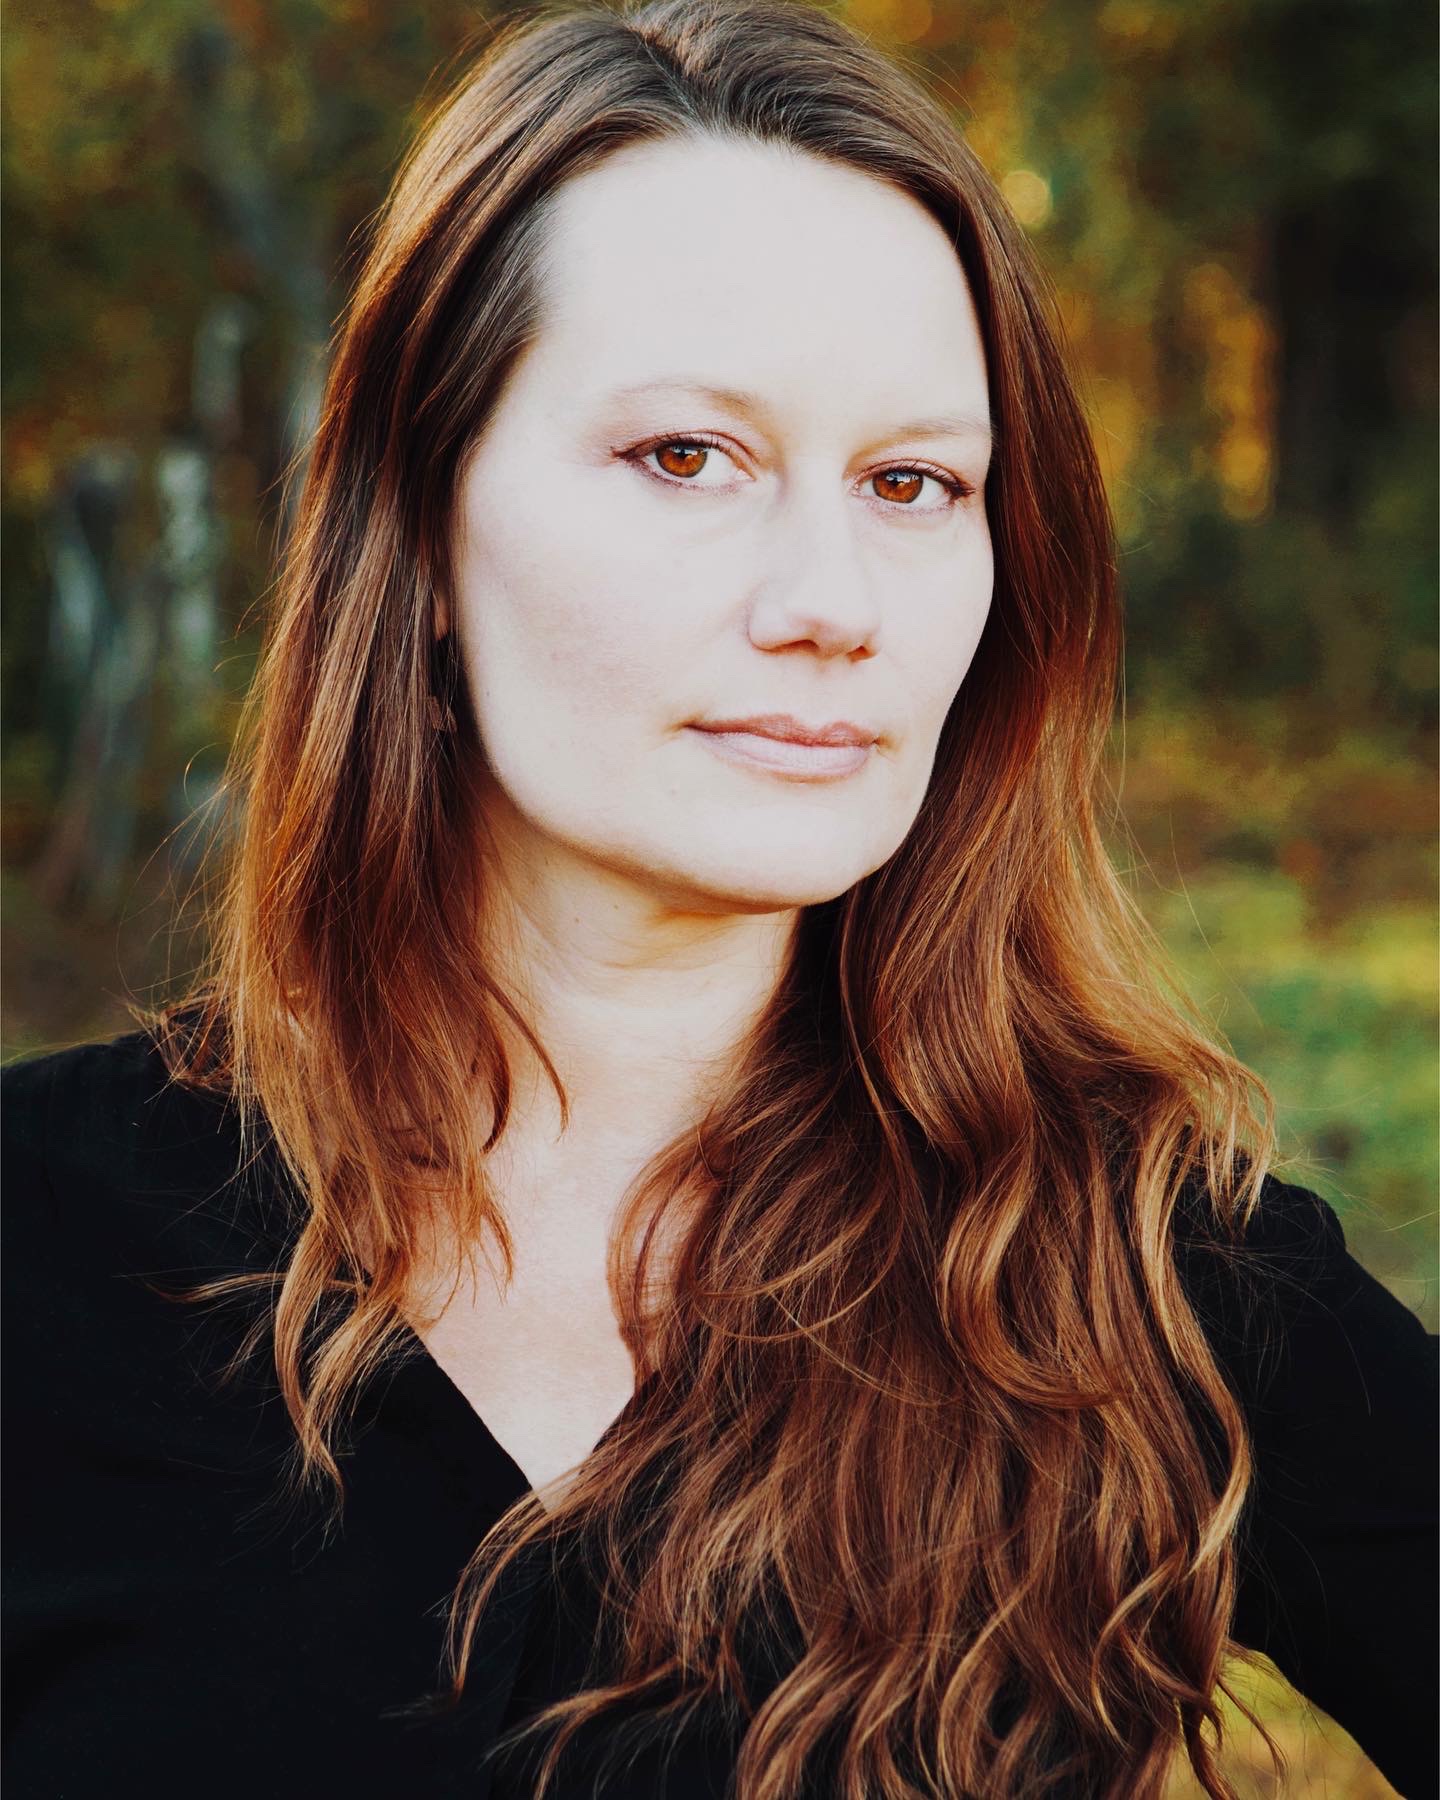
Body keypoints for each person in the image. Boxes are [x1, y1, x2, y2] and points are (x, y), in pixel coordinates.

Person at [3, 1, 1435, 1796]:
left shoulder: (1132, 1281)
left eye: (915, 482)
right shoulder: (37, 1251)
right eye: (689, 457)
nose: (832, 597)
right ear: (420, 532)